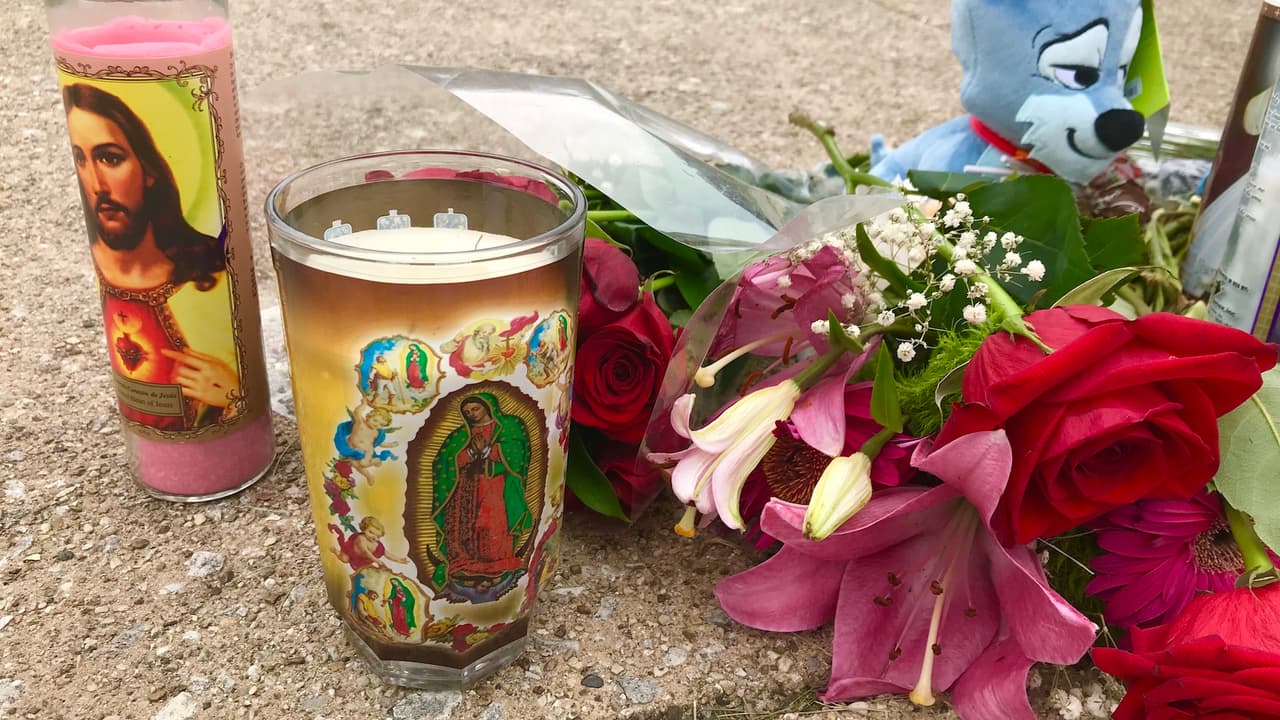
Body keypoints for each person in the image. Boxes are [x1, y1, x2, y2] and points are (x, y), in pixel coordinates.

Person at [63, 82, 240, 430]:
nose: (96, 183)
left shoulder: (209, 278)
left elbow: (236, 384)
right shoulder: (103, 271)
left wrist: (233, 396)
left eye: (110, 158)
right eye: (80, 159)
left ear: (149, 171)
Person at [431, 394, 534, 589]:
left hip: (494, 483)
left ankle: (495, 566)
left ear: (488, 407)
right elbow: (444, 461)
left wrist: (488, 450)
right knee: (465, 525)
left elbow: (517, 452)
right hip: (465, 487)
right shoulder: (461, 434)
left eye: (475, 409)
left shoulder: (508, 426)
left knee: (491, 522)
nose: (472, 414)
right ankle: (465, 564)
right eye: (467, 412)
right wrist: (470, 452)